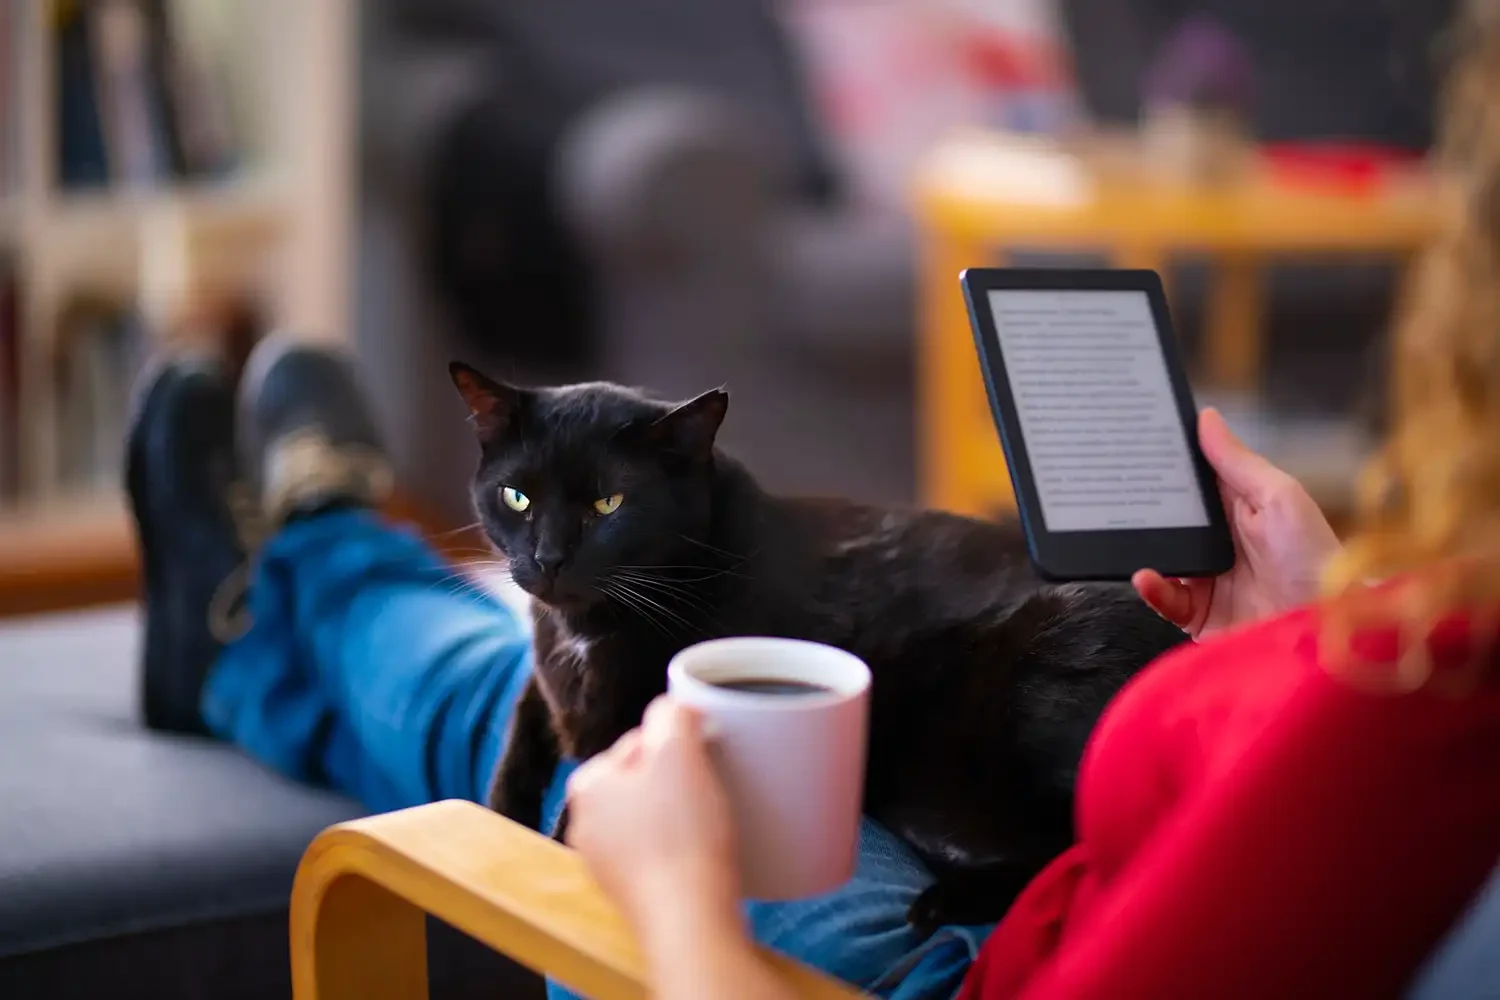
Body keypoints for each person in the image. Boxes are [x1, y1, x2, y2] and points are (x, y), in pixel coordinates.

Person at [129, 10, 1500, 1000]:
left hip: (949, 957)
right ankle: (292, 585)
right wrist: (1308, 632)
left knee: (527, 696)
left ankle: (291, 576)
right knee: (556, 670)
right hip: (1026, 856)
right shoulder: (1437, 673)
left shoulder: (1424, 722)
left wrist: (673, 893)